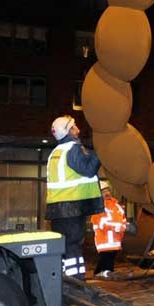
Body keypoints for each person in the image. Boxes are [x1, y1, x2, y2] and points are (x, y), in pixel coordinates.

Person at [46, 115, 103, 280]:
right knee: (73, 245)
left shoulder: (55, 153)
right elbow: (88, 170)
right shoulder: (73, 148)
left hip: (57, 208)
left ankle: (63, 279)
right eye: (74, 126)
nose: (78, 129)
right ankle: (76, 280)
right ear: (69, 131)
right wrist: (99, 152)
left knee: (63, 246)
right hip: (72, 207)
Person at [91, 180, 127, 278]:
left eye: (107, 190)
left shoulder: (116, 206)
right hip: (104, 239)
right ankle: (101, 273)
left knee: (111, 257)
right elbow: (102, 223)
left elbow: (122, 219)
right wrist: (119, 226)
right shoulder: (97, 207)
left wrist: (126, 226)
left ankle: (105, 273)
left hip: (115, 239)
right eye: (103, 191)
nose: (106, 193)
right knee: (106, 257)